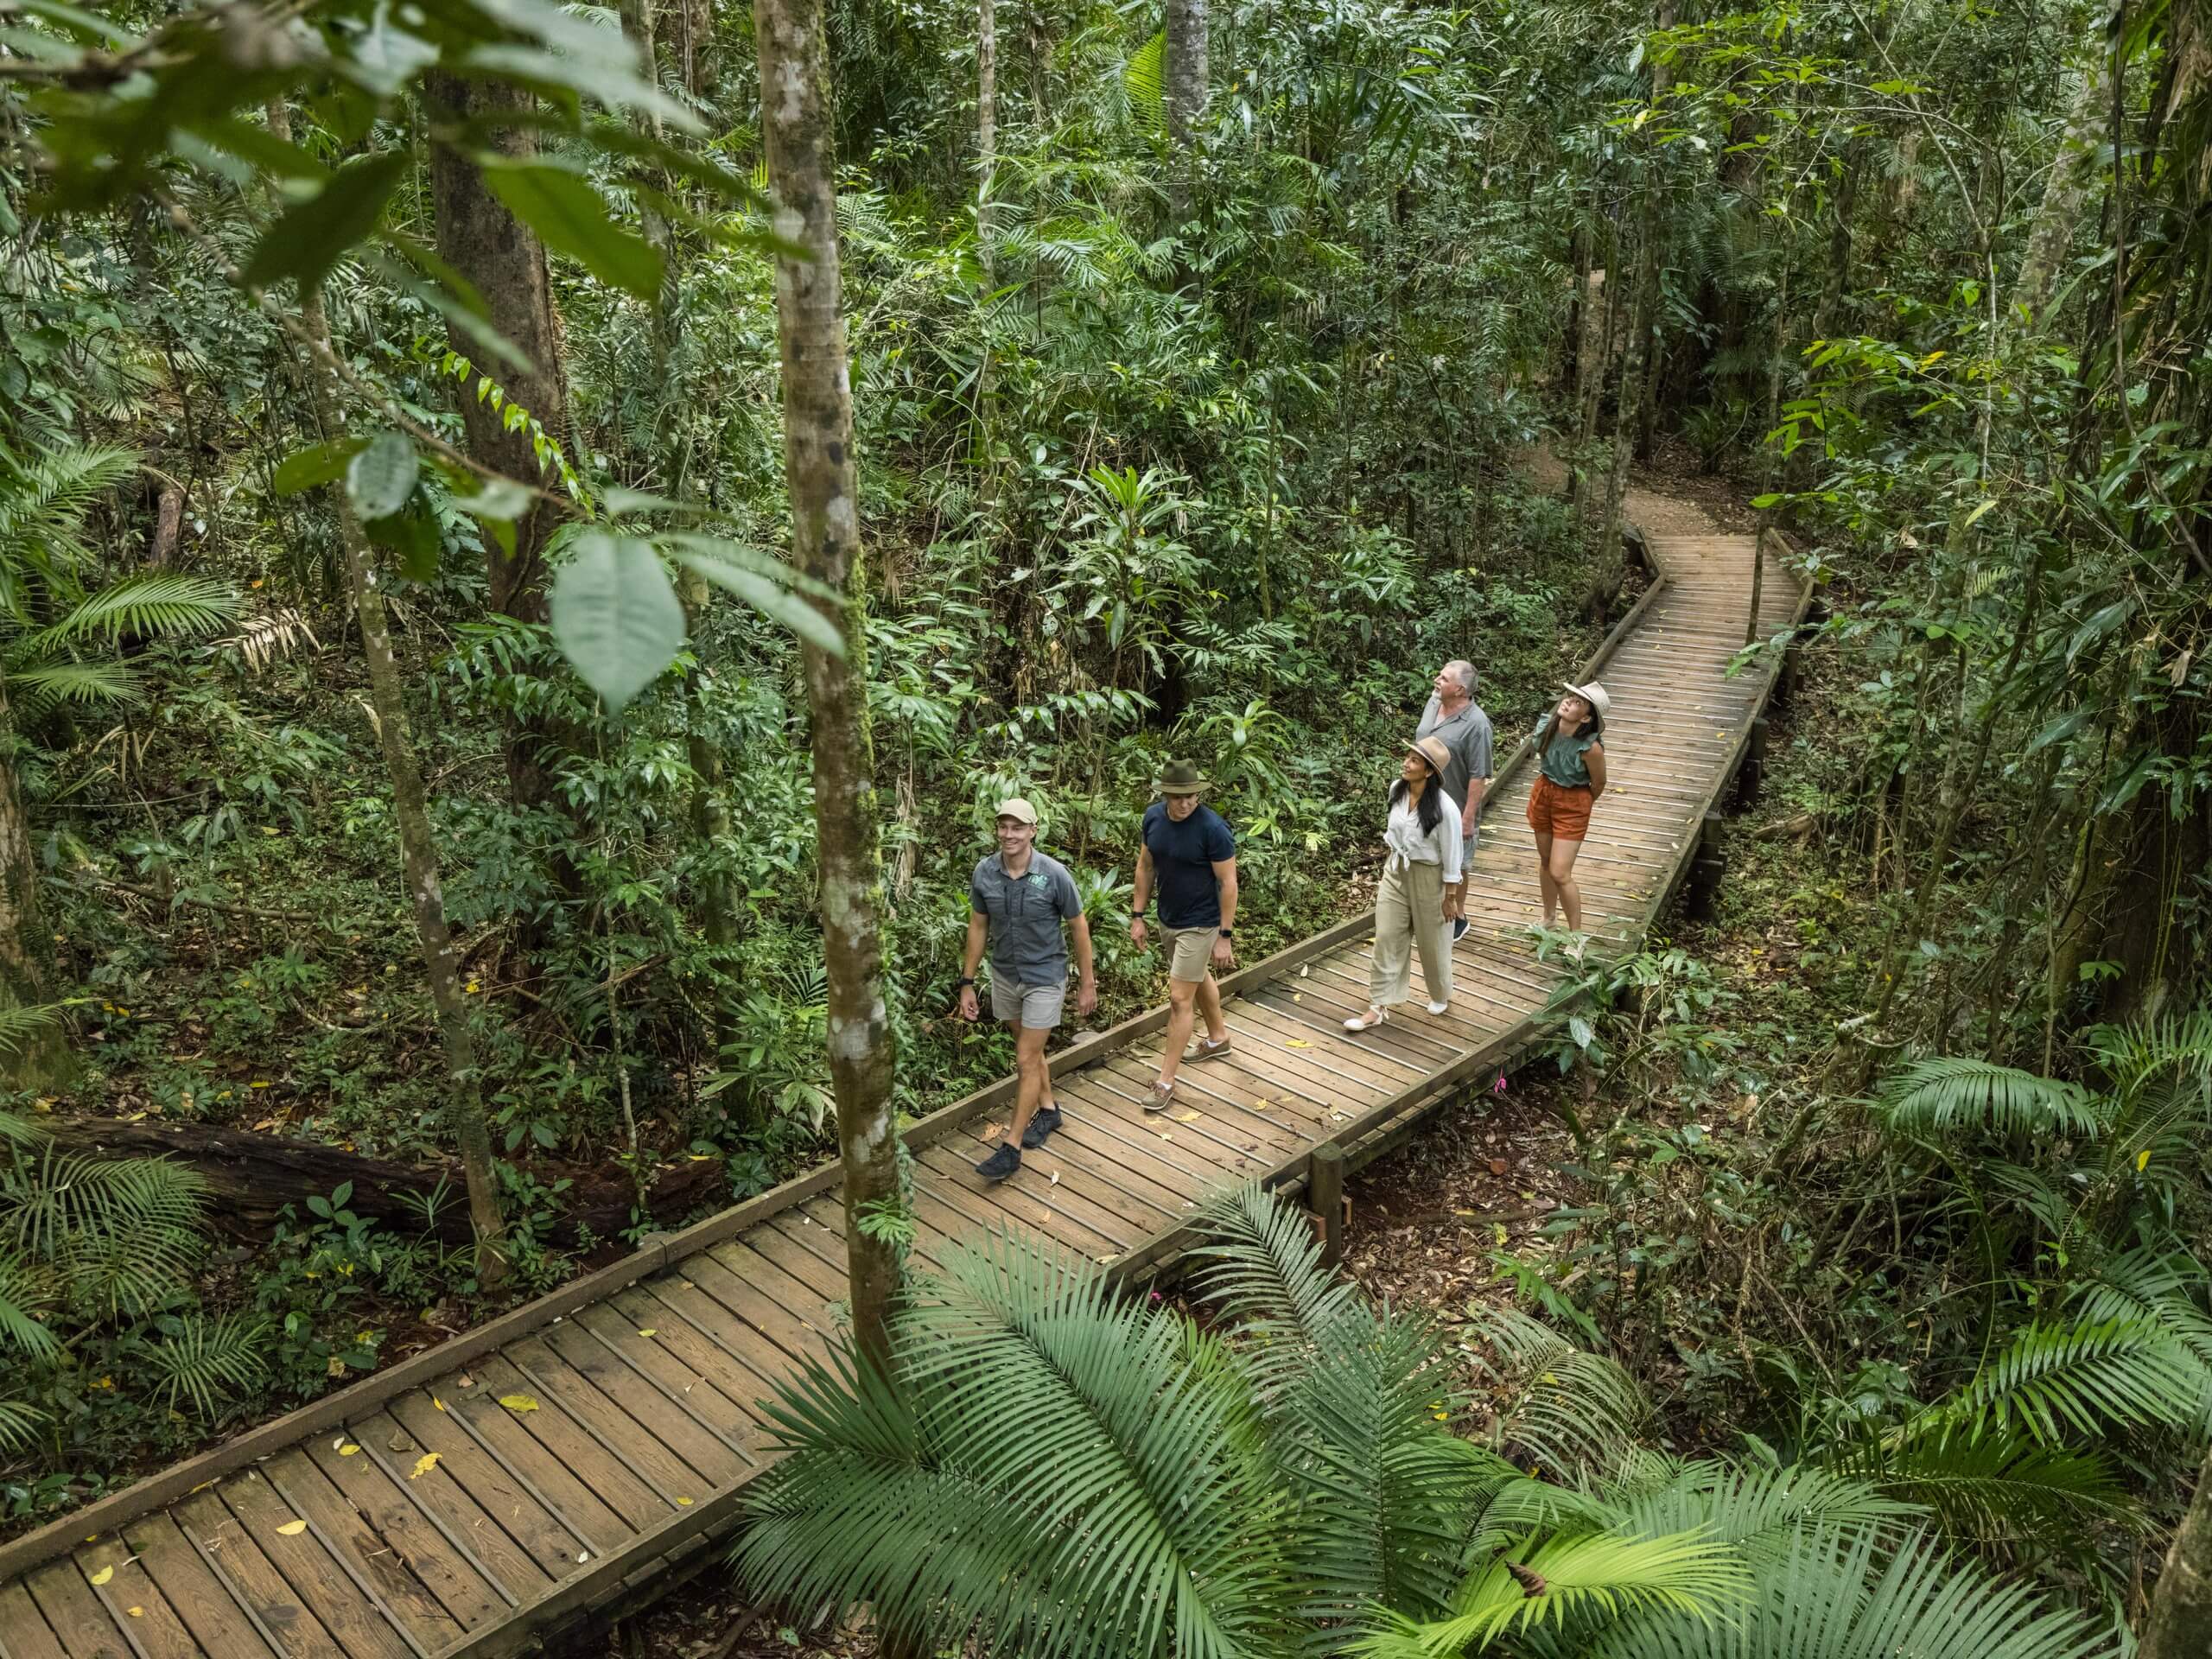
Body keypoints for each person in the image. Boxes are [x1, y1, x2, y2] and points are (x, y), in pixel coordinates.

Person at [957, 798, 1098, 1181]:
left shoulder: (1054, 875)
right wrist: (967, 982)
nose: (1009, 835)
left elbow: (1078, 926)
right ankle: (1049, 1111)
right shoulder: (985, 873)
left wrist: (1087, 983)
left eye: (1017, 828)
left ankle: (1012, 1147)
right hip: (1005, 975)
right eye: (1003, 827)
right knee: (1030, 1054)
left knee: (1024, 1059)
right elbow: (978, 926)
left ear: (1033, 830)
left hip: (1045, 978)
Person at [1128, 760, 1237, 1111]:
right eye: (1178, 797)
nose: (1186, 803)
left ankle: (1165, 1082)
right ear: (1166, 796)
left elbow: (1228, 882)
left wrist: (1224, 935)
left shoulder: (1213, 828)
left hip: (1201, 921)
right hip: (1168, 917)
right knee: (1193, 976)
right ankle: (1219, 1037)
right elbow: (1145, 867)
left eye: (1191, 796)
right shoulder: (1153, 819)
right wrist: (1138, 915)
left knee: (1179, 999)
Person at [1343, 736, 1463, 1031]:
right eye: (1407, 757)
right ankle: (1378, 1005)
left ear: (1429, 771)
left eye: (1414, 761)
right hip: (1396, 871)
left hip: (1430, 877)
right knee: (1386, 936)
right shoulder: (1397, 790)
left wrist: (1451, 896)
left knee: (1432, 941)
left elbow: (1452, 853)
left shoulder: (1446, 809)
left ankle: (1440, 993)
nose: (1406, 763)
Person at [1415, 660, 1495, 944]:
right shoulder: (1433, 701)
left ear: (1460, 689)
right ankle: (1428, 911)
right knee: (1425, 855)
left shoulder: (1477, 724)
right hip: (1423, 798)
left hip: (1457, 803)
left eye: (1444, 678)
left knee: (1457, 863)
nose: (1436, 679)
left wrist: (1468, 817)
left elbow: (1479, 774)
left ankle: (1458, 917)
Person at [1527, 682, 1610, 935]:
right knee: (1545, 861)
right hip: (1544, 792)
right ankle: (1548, 918)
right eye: (1570, 696)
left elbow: (1599, 783)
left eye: (1577, 702)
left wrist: (1580, 804)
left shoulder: (1591, 748)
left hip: (1573, 801)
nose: (1568, 701)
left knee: (1560, 871)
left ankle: (1576, 937)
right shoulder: (1549, 727)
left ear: (1585, 717)